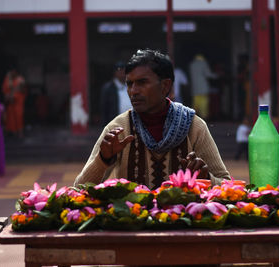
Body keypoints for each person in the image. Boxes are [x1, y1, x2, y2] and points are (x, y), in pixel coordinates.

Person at [75, 49, 230, 189]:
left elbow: (226, 184)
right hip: (132, 219)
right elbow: (79, 188)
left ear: (165, 86)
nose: (133, 91)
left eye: (142, 83)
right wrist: (103, 159)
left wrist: (206, 179)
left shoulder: (194, 127)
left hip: (181, 220)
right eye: (129, 84)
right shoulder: (118, 128)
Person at [100, 61, 132, 127]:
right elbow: (104, 109)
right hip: (116, 123)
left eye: (124, 71)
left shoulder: (131, 85)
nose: (122, 73)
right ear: (115, 73)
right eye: (119, 71)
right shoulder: (108, 88)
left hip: (131, 121)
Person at [189, 54, 218, 120]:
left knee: (195, 105)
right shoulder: (203, 63)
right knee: (204, 105)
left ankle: (194, 120)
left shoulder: (192, 64)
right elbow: (208, 74)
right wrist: (216, 76)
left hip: (195, 89)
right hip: (203, 89)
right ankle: (204, 120)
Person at [2, 68, 27, 138]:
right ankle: (13, 133)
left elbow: (23, 90)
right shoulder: (8, 79)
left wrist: (15, 91)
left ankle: (20, 133)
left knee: (19, 118)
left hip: (18, 103)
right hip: (10, 103)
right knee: (10, 119)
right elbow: (5, 91)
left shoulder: (20, 80)